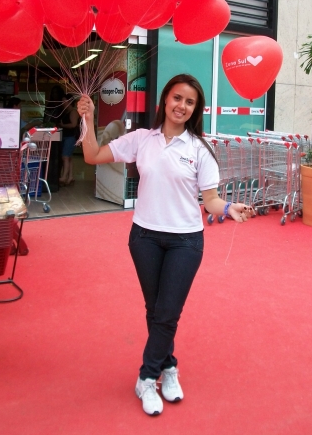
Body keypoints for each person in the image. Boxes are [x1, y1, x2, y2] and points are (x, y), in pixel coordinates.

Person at [77, 73, 253, 416]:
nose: (182, 106)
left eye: (189, 102)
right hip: (144, 237)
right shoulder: (142, 139)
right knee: (156, 311)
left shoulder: (199, 150)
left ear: (195, 109)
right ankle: (169, 367)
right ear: (165, 101)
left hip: (186, 241)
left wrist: (231, 208)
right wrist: (86, 118)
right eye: (177, 98)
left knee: (168, 311)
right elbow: (93, 155)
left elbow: (212, 200)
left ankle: (147, 376)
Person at [59, 93, 79, 186]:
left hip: (70, 137)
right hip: (68, 136)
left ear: (69, 101)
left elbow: (74, 124)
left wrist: (63, 125)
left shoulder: (73, 112)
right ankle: (70, 177)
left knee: (65, 157)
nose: (62, 103)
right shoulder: (67, 111)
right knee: (69, 157)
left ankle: (64, 177)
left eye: (64, 101)